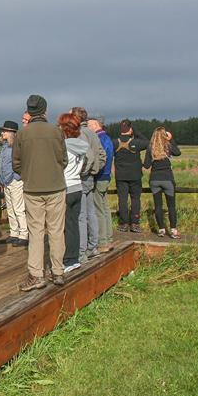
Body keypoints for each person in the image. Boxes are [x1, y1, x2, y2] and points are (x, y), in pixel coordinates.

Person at [12, 94, 69, 289]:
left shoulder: (22, 134)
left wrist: (29, 174)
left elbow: (16, 164)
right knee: (56, 231)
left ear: (29, 111)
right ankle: (58, 271)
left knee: (35, 232)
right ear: (44, 110)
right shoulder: (56, 131)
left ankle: (36, 275)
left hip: (32, 188)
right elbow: (64, 160)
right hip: (56, 187)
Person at [71, 107, 107, 262]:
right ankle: (93, 246)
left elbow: (89, 156)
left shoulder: (79, 133)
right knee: (90, 213)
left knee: (81, 215)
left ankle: (82, 252)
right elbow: (101, 155)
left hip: (82, 178)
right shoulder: (92, 133)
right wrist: (94, 170)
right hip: (90, 178)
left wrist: (83, 171)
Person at [59, 113, 89, 273]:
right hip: (77, 186)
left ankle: (67, 260)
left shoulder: (64, 147)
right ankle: (74, 258)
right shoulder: (81, 146)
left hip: (65, 188)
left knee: (64, 226)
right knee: (74, 224)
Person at [144, 127, 182, 239]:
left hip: (154, 179)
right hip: (167, 178)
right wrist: (171, 139)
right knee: (171, 206)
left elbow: (146, 165)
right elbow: (178, 152)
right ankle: (173, 230)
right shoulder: (168, 146)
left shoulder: (150, 147)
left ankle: (161, 229)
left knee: (158, 206)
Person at [113, 120, 148, 233]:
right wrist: (136, 132)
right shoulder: (136, 142)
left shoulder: (115, 142)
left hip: (121, 176)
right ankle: (135, 224)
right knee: (135, 199)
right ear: (130, 129)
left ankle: (123, 224)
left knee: (122, 200)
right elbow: (147, 142)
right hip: (135, 176)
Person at [0, 120, 28, 246]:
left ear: (11, 133)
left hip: (15, 181)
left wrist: (16, 177)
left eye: (5, 131)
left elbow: (22, 163)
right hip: (7, 182)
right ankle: (14, 233)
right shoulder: (5, 146)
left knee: (19, 209)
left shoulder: (19, 146)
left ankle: (23, 234)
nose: (2, 132)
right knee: (10, 209)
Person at [88, 118, 114, 251]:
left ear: (95, 125)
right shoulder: (107, 138)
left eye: (89, 125)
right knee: (104, 208)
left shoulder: (99, 139)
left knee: (98, 209)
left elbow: (100, 158)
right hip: (106, 176)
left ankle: (102, 241)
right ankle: (108, 238)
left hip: (100, 176)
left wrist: (93, 171)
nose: (87, 128)